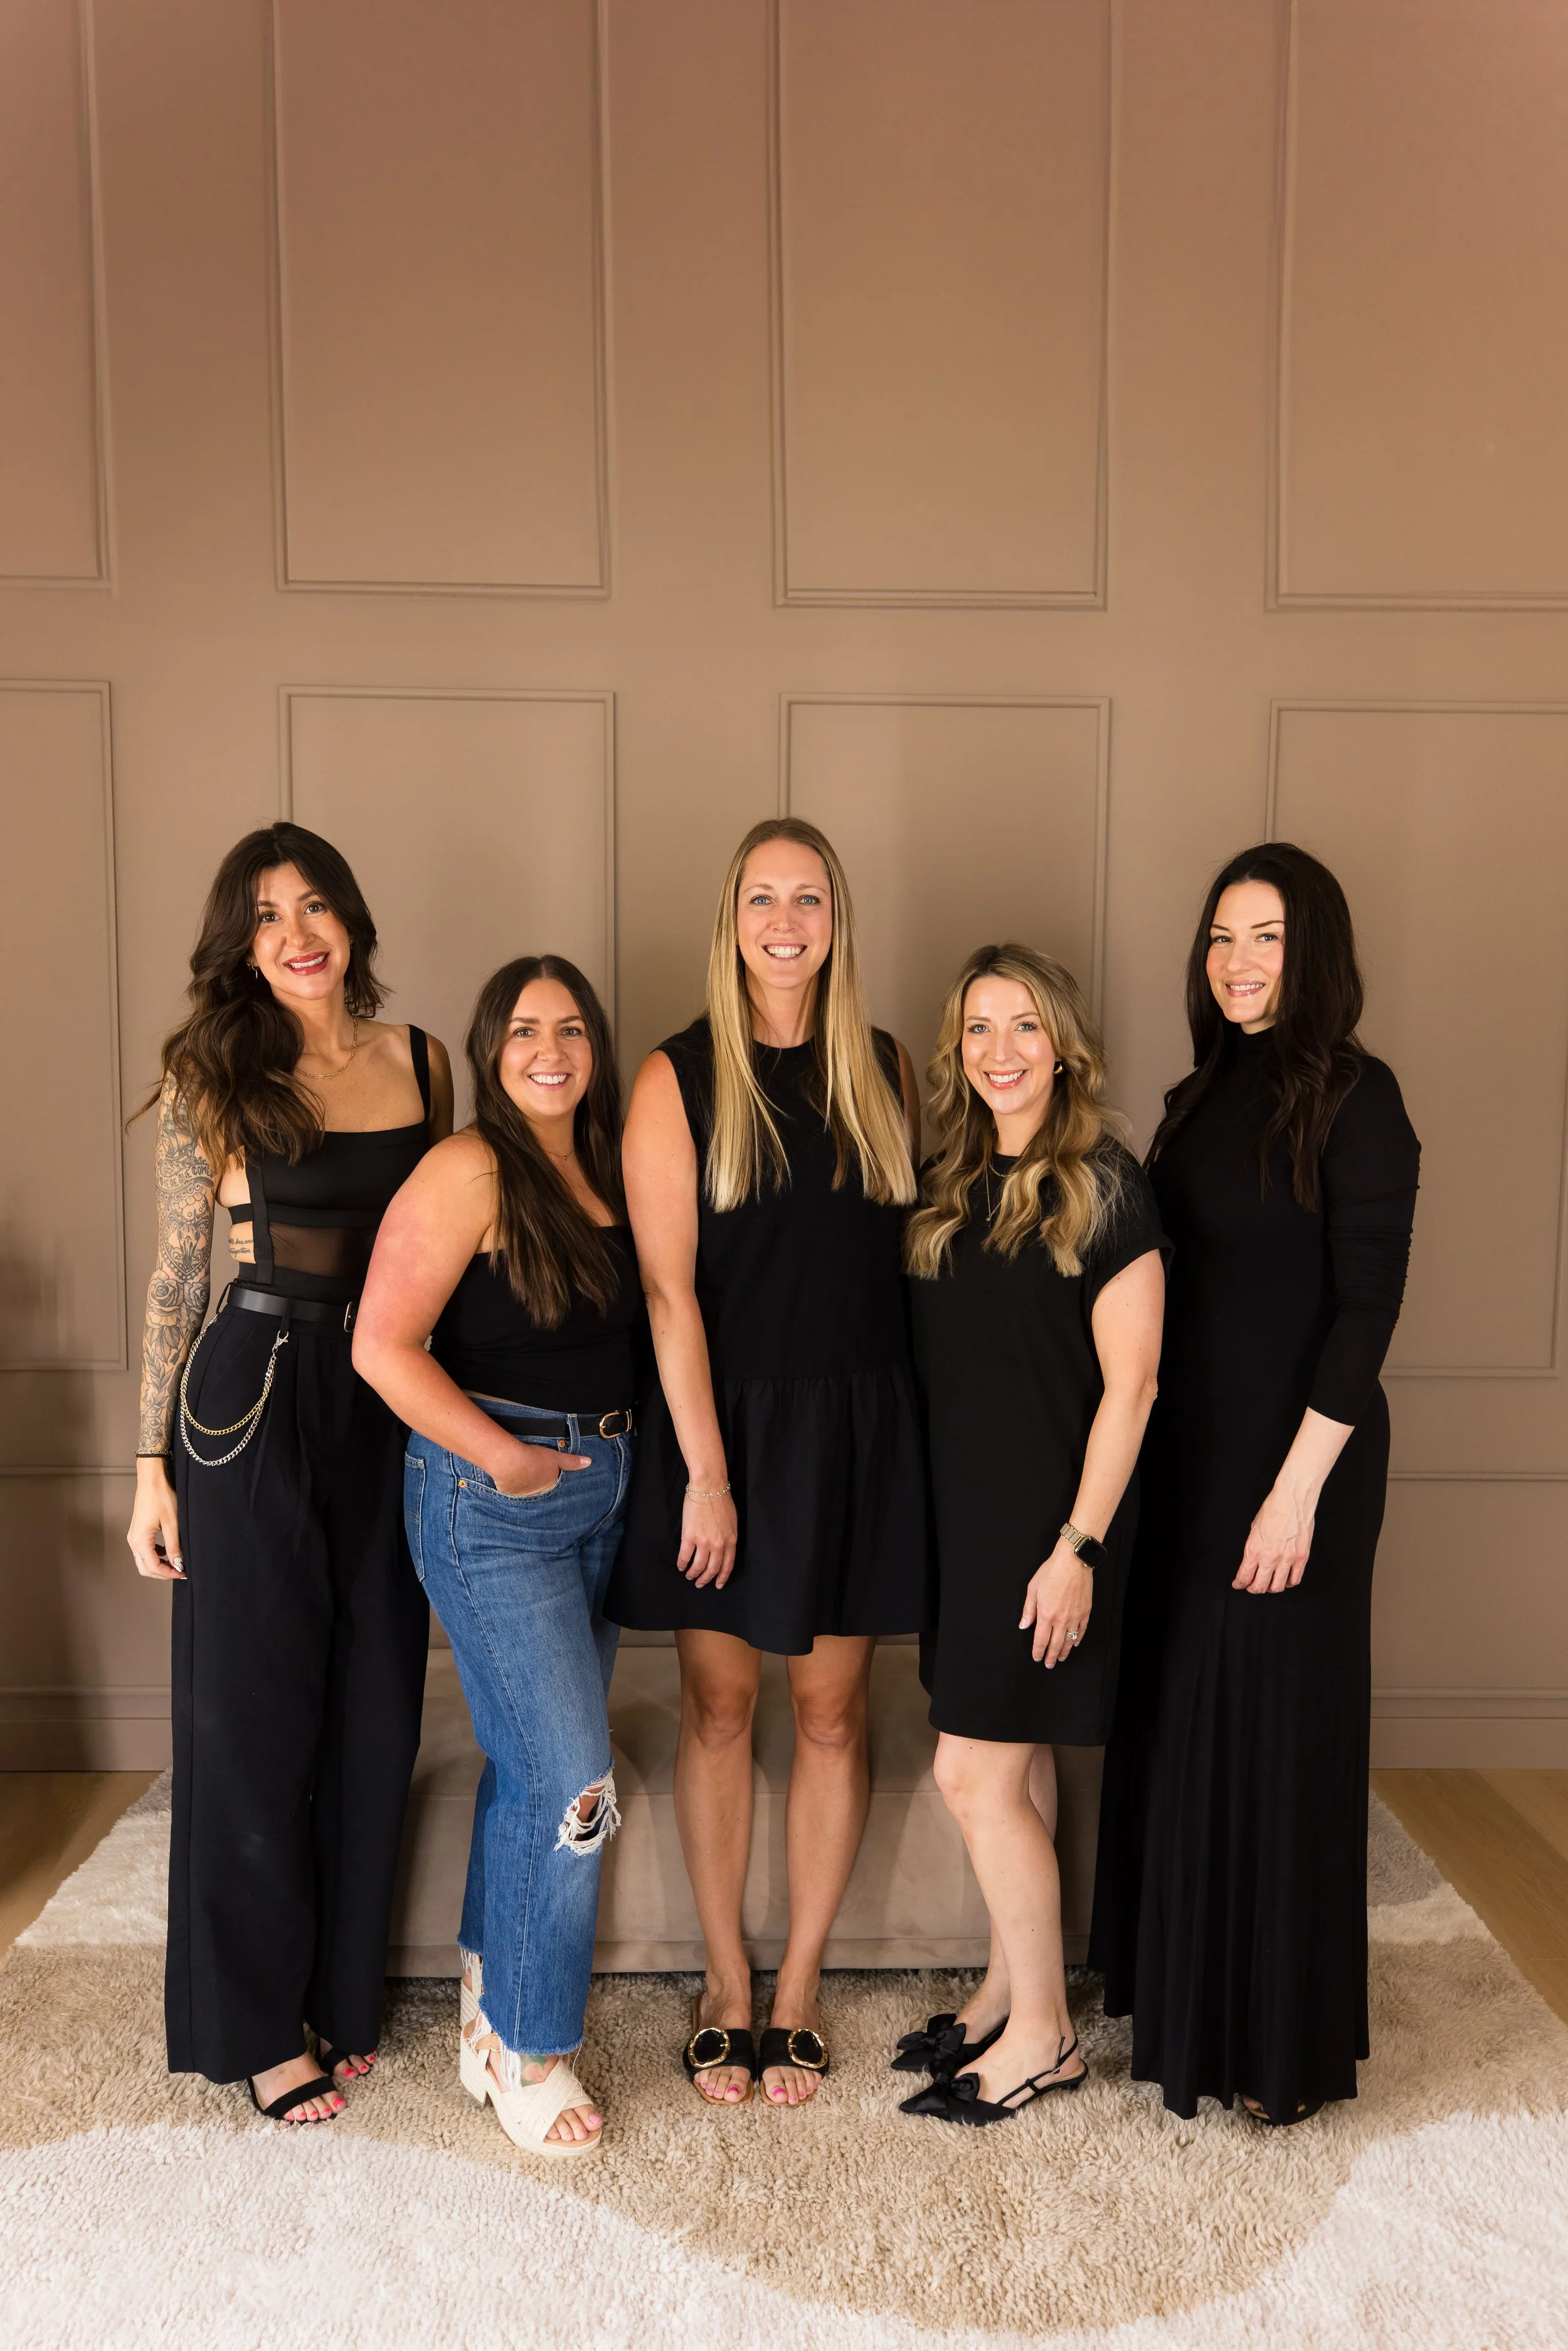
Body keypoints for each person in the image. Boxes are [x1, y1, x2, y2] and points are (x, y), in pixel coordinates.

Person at [125, 823, 452, 2125]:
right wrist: (147, 1465)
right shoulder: (210, 1071)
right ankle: (258, 2026)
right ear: (241, 946)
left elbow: (453, 1241)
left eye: (315, 906)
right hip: (251, 1395)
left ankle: (342, 1993)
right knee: (250, 1716)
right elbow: (176, 1279)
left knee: (377, 1701)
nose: (296, 934)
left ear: (352, 920)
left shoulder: (424, 1060)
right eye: (265, 917)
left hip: (391, 1398)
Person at [1089, 843, 1420, 2125]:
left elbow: (1365, 1310)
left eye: (1266, 936)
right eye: (1222, 936)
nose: (1237, 961)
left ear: (1312, 949)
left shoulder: (1357, 1097)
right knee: (1184, 1727)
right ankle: (1180, 2006)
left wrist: (1295, 1495)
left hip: (1299, 1465)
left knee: (1274, 1740)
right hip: (1189, 1459)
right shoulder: (1199, 1092)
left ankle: (1274, 2053)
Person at [605, 817, 928, 2108]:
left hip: (857, 1432)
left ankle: (796, 1986)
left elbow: (909, 1263)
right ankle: (725, 1983)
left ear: (836, 919)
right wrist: (706, 1473)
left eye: (807, 899)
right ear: (729, 919)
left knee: (835, 1712)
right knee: (722, 1709)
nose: (784, 923)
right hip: (724, 1434)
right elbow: (667, 1293)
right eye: (761, 899)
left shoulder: (888, 1066)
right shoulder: (674, 1077)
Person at [354, 956, 638, 2160]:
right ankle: (531, 2049)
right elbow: (382, 1344)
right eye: (524, 1030)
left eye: (571, 1028)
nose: (550, 1050)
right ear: (489, 1048)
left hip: (604, 1494)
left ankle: (486, 1998)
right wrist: (506, 1459)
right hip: (492, 1498)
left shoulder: (608, 1164)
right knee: (573, 1779)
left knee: (528, 1764)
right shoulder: (469, 1168)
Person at [893, 945, 1165, 2125]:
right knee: (1020, 1765)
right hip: (966, 1527)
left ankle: (1048, 2038)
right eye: (979, 1029)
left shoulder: (1106, 1185)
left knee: (972, 1773)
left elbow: (1134, 1387)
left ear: (1064, 1046)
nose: (999, 1051)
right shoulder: (951, 1182)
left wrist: (1078, 1550)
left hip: (1051, 1531)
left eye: (1024, 1027)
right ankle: (1010, 1991)